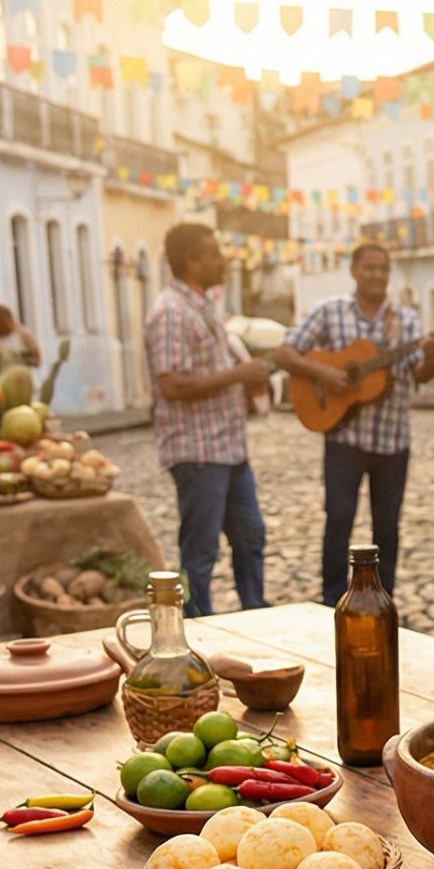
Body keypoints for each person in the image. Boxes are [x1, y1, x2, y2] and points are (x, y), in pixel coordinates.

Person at [272, 241, 434, 602]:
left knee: (387, 527)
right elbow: (284, 352)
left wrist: (431, 357)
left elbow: (422, 375)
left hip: (393, 440)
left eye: (383, 269)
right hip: (344, 438)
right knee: (339, 519)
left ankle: (382, 600)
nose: (377, 275)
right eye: (370, 267)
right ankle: (332, 598)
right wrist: (324, 374)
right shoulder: (330, 313)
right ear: (354, 270)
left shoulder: (406, 321)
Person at [144, 223, 272, 616]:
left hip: (228, 447)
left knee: (251, 538)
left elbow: (209, 372)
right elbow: (171, 385)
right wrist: (237, 376)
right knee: (200, 552)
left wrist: (243, 388)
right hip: (198, 451)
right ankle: (195, 630)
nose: (224, 261)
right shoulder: (171, 312)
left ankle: (258, 613)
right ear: (191, 262)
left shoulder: (204, 306)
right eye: (214, 254)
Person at [0, 303, 39, 373]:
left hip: (21, 376)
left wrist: (23, 362)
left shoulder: (23, 334)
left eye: (4, 322)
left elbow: (37, 359)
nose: (1, 326)